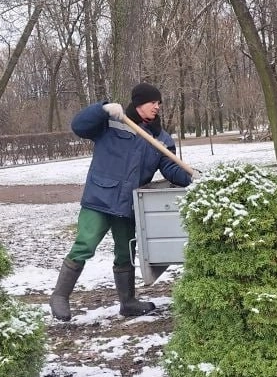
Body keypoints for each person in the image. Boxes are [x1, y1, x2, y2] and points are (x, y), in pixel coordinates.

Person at [49, 82, 192, 322]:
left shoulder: (160, 137)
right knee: (85, 244)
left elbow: (168, 167)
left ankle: (128, 302)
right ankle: (59, 296)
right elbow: (78, 126)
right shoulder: (112, 123)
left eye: (159, 103)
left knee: (126, 251)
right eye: (152, 102)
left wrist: (186, 174)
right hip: (100, 199)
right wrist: (102, 108)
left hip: (127, 205)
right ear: (138, 102)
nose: (157, 107)